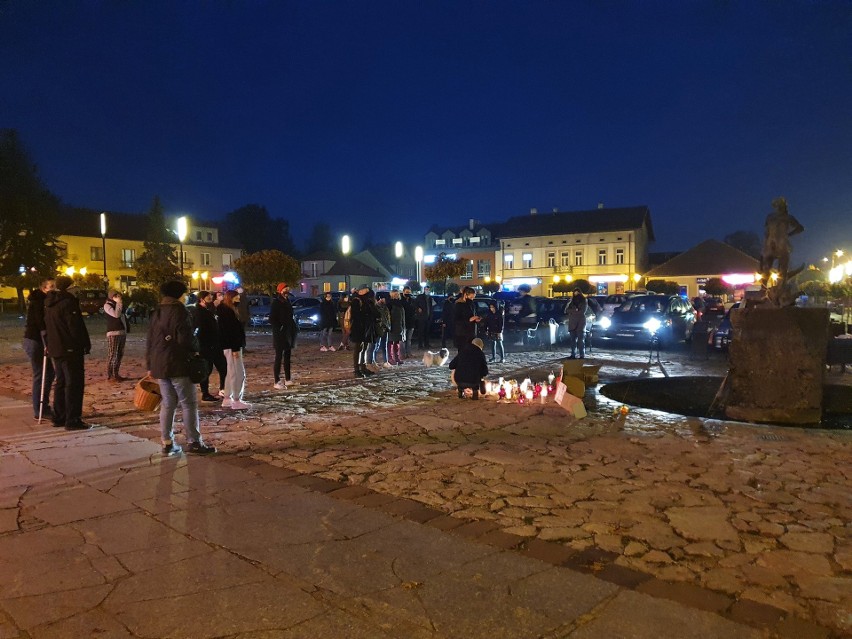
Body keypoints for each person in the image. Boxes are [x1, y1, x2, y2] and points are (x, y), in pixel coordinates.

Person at [146, 280, 216, 456]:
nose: (186, 297)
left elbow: (150, 340)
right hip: (178, 363)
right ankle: (193, 441)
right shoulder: (179, 311)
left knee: (168, 404)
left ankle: (167, 442)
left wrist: (150, 364)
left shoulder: (157, 311)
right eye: (185, 294)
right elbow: (185, 339)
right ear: (179, 295)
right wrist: (196, 345)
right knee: (189, 403)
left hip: (160, 363)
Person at [43, 276, 92, 430]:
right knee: (74, 383)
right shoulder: (68, 302)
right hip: (70, 348)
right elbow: (75, 327)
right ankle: (72, 419)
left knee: (61, 381)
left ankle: (59, 416)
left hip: (56, 347)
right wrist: (84, 343)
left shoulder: (50, 303)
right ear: (68, 287)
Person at [23, 278, 55, 420]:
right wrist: (46, 340)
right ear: (44, 288)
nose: (54, 289)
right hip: (35, 340)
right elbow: (39, 321)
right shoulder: (39, 301)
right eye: (51, 287)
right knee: (40, 375)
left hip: (35, 340)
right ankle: (39, 409)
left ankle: (43, 406)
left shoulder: (42, 300)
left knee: (48, 373)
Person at [217, 289, 250, 409]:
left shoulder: (225, 311)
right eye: (236, 298)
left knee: (231, 373)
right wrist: (236, 348)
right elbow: (231, 332)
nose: (239, 299)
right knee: (238, 373)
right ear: (230, 298)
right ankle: (236, 399)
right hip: (232, 347)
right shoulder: (228, 312)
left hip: (229, 346)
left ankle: (227, 398)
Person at [190, 290, 222, 402]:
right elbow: (198, 330)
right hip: (205, 345)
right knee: (206, 370)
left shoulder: (206, 310)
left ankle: (214, 391)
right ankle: (205, 393)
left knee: (216, 368)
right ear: (202, 300)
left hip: (212, 344)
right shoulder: (199, 312)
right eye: (208, 299)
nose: (211, 300)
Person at [270, 282, 298, 389]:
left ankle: (288, 379)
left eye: (288, 289)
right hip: (280, 334)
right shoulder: (276, 303)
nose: (287, 291)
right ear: (280, 290)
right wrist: (280, 326)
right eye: (285, 289)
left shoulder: (287, 301)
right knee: (278, 357)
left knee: (287, 357)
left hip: (288, 333)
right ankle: (276, 381)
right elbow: (272, 318)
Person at [350, 286, 377, 378]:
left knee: (364, 348)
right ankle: (356, 369)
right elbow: (356, 315)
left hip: (367, 328)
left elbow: (374, 312)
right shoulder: (356, 301)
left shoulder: (368, 300)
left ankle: (363, 367)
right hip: (359, 328)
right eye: (365, 290)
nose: (367, 291)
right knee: (358, 349)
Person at [103, 290, 129, 382]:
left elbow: (123, 317)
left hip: (121, 332)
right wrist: (118, 303)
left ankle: (116, 374)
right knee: (113, 354)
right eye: (117, 295)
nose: (119, 297)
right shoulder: (107, 305)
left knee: (119, 354)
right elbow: (116, 315)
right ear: (112, 296)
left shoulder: (119, 304)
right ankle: (111, 376)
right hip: (113, 333)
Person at [453, 286, 481, 351]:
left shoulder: (472, 304)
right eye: (471, 297)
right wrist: (469, 320)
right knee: (463, 352)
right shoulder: (459, 305)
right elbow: (456, 320)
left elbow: (473, 315)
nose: (472, 299)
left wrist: (476, 320)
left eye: (473, 297)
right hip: (462, 334)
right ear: (465, 295)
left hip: (471, 333)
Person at [565, 288, 588, 359]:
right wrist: (575, 310)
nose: (576, 294)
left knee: (581, 340)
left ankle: (582, 355)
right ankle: (573, 354)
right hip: (572, 323)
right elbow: (566, 310)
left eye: (577, 292)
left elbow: (582, 311)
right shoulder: (571, 302)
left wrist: (572, 311)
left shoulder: (584, 301)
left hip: (581, 323)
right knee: (573, 340)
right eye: (574, 292)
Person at [387, 289, 406, 365]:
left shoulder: (400, 304)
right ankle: (390, 358)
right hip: (391, 327)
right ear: (391, 295)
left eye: (397, 294)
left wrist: (403, 326)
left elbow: (402, 316)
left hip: (399, 326)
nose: (396, 296)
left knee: (397, 343)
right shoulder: (390, 304)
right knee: (390, 343)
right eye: (394, 295)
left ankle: (397, 357)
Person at [374, 295, 391, 368]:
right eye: (384, 298)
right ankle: (373, 361)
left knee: (384, 346)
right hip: (379, 329)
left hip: (385, 328)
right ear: (380, 298)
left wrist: (388, 326)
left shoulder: (385, 307)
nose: (385, 300)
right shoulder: (375, 307)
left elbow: (388, 318)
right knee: (376, 346)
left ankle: (385, 361)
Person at [401, 287, 416, 358]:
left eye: (409, 292)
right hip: (403, 323)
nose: (408, 294)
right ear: (403, 292)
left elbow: (414, 310)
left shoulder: (412, 300)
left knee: (409, 340)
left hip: (411, 322)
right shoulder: (400, 300)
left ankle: (409, 353)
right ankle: (403, 354)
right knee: (403, 340)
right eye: (406, 292)